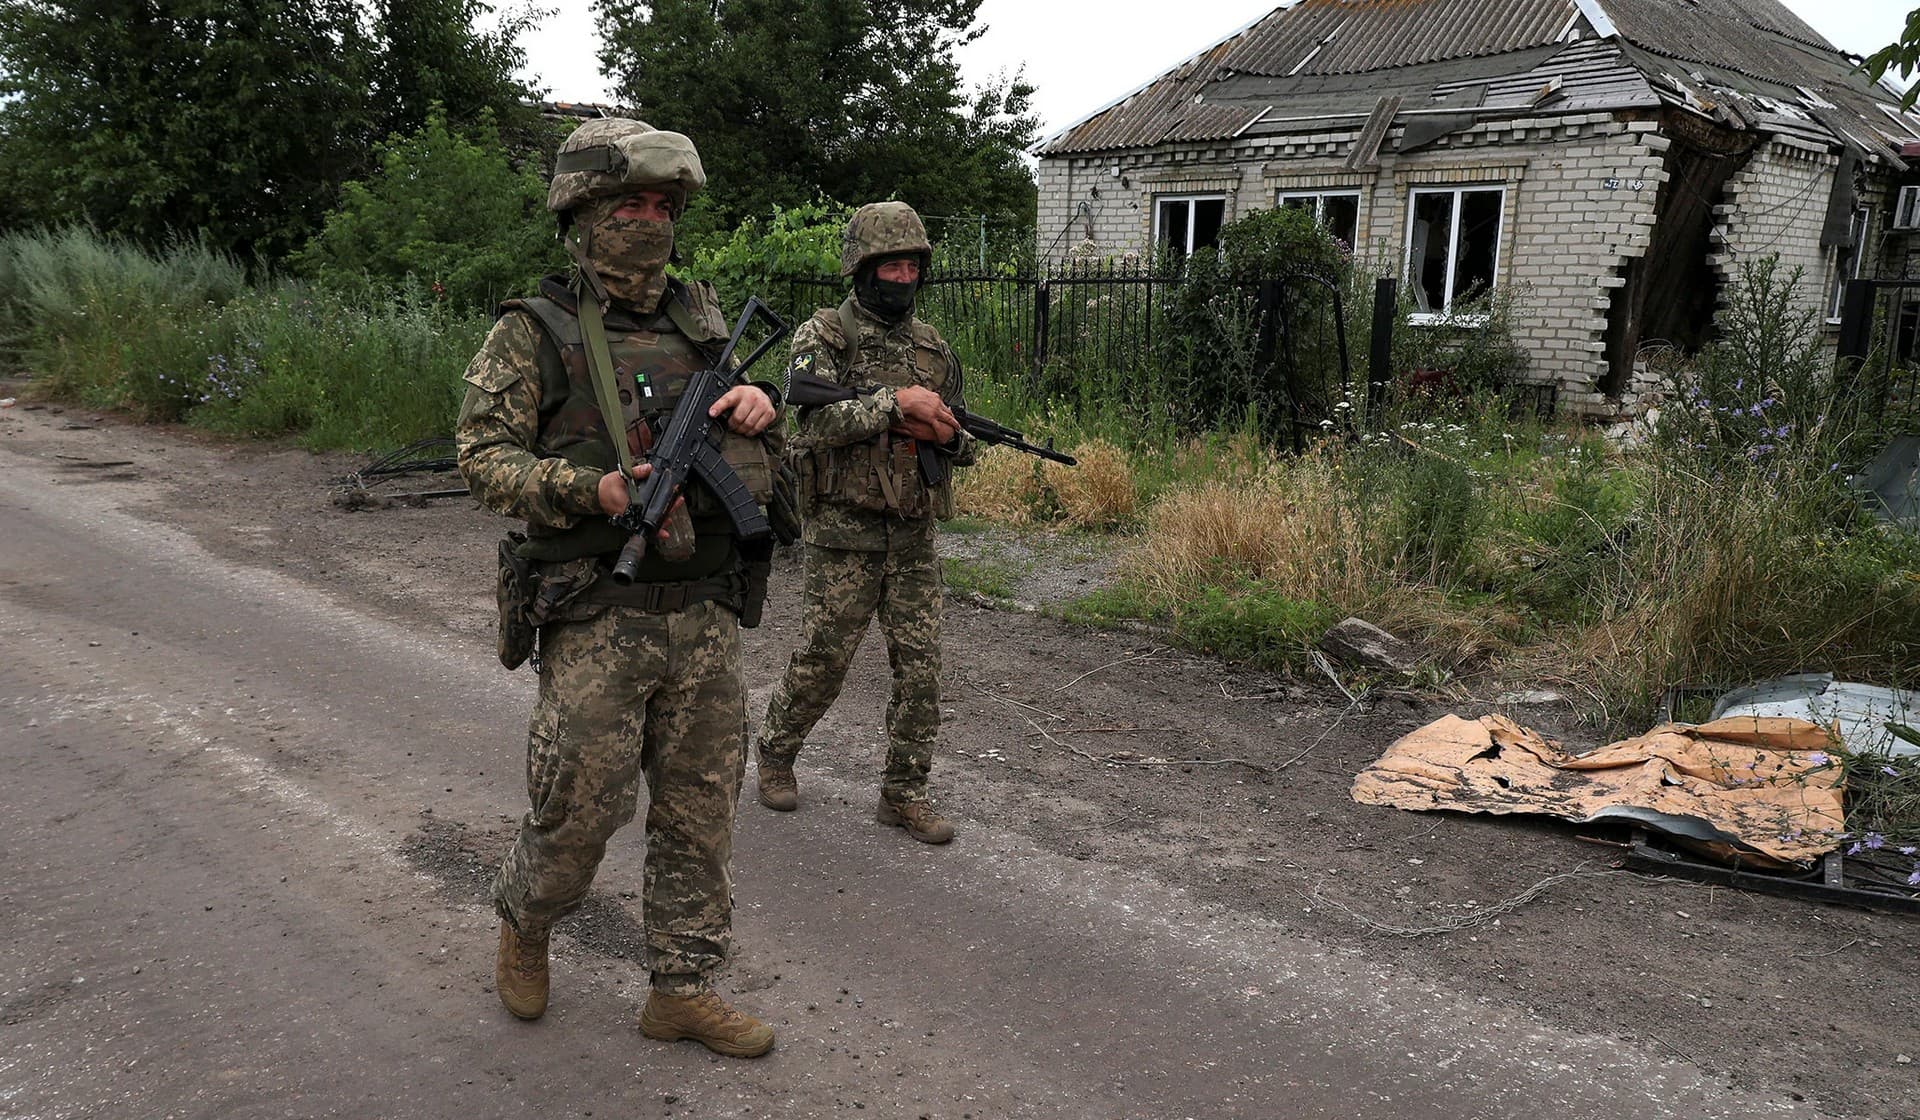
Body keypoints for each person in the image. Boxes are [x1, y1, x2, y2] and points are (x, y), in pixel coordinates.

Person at [455, 118, 782, 1057]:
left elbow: (752, 446)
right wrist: (582, 487)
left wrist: (757, 414)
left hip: (703, 612)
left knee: (700, 815)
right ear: (583, 215)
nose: (646, 222)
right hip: (597, 612)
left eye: (660, 206)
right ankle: (527, 918)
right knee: (580, 813)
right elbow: (480, 459)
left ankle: (682, 986)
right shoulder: (534, 330)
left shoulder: (703, 319)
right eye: (626, 205)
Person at [752, 201, 974, 844]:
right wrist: (893, 404)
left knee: (921, 668)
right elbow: (811, 423)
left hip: (912, 532)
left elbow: (961, 440)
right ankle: (775, 753)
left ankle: (903, 793)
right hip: (843, 534)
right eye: (890, 265)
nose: (902, 277)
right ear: (861, 268)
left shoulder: (933, 349)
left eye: (912, 265)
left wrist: (949, 435)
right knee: (824, 659)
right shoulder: (824, 337)